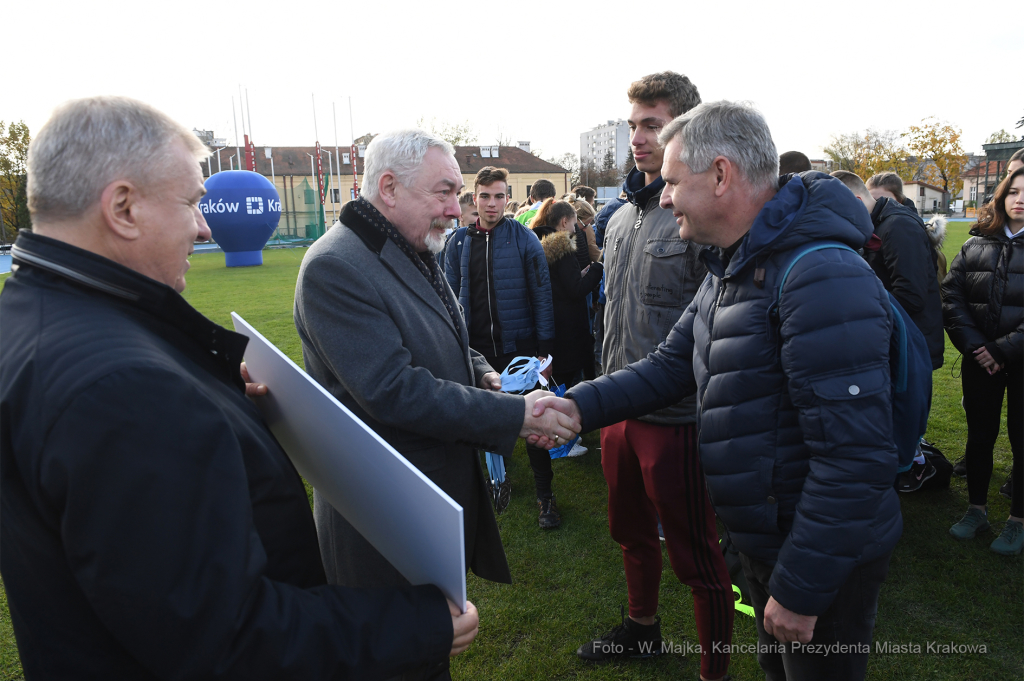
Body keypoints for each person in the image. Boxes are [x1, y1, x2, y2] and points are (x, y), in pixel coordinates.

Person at [0, 96, 481, 680]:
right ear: (123, 208)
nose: (204, 227)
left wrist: (219, 395)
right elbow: (222, 635)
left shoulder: (29, 315)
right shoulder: (128, 389)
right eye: (192, 203)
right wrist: (416, 624)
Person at [539, 100, 904, 681]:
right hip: (764, 540)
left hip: (817, 556)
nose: (663, 196)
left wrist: (803, 588)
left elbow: (854, 458)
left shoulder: (820, 275)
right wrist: (576, 405)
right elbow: (668, 366)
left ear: (720, 175)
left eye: (674, 182)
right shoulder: (734, 265)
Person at [293, 131, 580, 680]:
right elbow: (394, 389)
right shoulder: (336, 265)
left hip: (422, 505)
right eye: (445, 192)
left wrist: (485, 374)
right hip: (382, 518)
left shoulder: (408, 244)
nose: (458, 208)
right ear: (389, 187)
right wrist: (517, 416)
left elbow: (447, 336)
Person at [574, 71, 733, 681]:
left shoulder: (702, 217)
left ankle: (713, 670)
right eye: (633, 123)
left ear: (683, 130)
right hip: (619, 411)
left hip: (679, 418)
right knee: (630, 534)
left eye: (652, 124)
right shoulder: (617, 218)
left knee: (698, 558)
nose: (638, 137)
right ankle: (642, 630)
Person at [441, 165, 563, 528]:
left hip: (520, 349)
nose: (491, 204)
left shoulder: (524, 240)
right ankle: (492, 485)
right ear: (474, 198)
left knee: (534, 423)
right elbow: (447, 299)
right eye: (484, 196)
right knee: (479, 422)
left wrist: (544, 351)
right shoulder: (457, 242)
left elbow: (542, 296)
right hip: (476, 351)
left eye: (498, 196)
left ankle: (546, 498)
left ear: (508, 198)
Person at [943, 168, 1023, 556]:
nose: (1019, 199)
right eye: (1014, 191)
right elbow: (952, 297)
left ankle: (1017, 520)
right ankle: (976, 510)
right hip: (981, 362)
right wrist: (978, 348)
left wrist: (1003, 349)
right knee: (979, 438)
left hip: (1018, 360)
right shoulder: (976, 245)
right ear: (1002, 195)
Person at [530, 198, 603, 389]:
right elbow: (575, 290)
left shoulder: (536, 243)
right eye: (574, 223)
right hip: (567, 331)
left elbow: (557, 282)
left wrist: (579, 275)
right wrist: (597, 270)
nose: (575, 229)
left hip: (546, 327)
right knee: (568, 385)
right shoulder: (562, 246)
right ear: (564, 222)